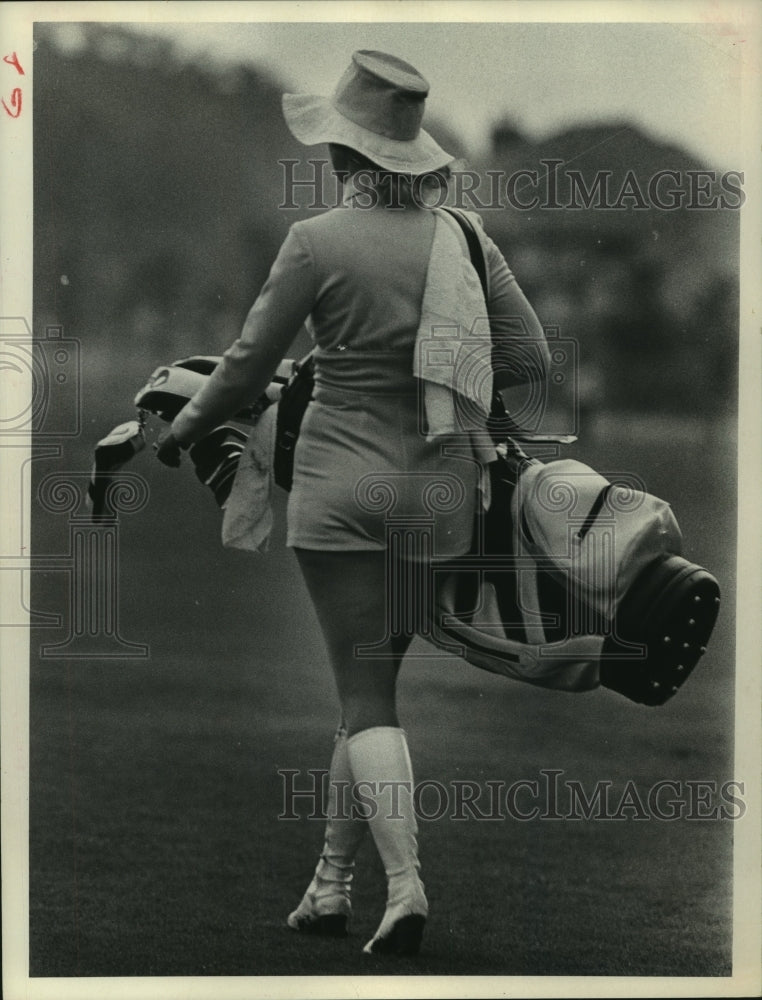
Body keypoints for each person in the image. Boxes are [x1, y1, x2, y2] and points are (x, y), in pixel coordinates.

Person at [156, 49, 550, 957]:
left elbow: (245, 367)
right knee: (365, 692)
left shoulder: (316, 241)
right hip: (438, 497)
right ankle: (329, 887)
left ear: (345, 152)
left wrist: (183, 432)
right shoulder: (464, 240)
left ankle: (405, 888)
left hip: (338, 494)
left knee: (366, 698)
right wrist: (448, 363)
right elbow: (529, 359)